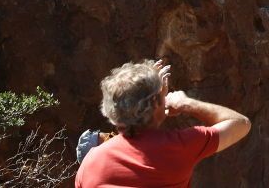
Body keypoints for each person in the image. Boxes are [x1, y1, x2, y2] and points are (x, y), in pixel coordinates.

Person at [75, 60, 250, 188]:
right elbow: (241, 124)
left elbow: (140, 141)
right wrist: (186, 103)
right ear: (157, 103)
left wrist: (156, 108)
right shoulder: (179, 147)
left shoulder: (90, 163)